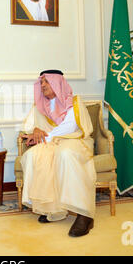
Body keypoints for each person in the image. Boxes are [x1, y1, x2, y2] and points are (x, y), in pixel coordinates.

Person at [19, 70, 96, 237]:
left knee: (65, 154)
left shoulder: (74, 102)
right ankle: (52, 209)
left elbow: (69, 127)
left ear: (58, 83)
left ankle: (84, 214)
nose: (43, 85)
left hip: (75, 141)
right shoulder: (40, 105)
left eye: (46, 81)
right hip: (51, 143)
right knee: (32, 155)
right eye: (41, 82)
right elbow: (27, 127)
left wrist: (45, 136)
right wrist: (36, 129)